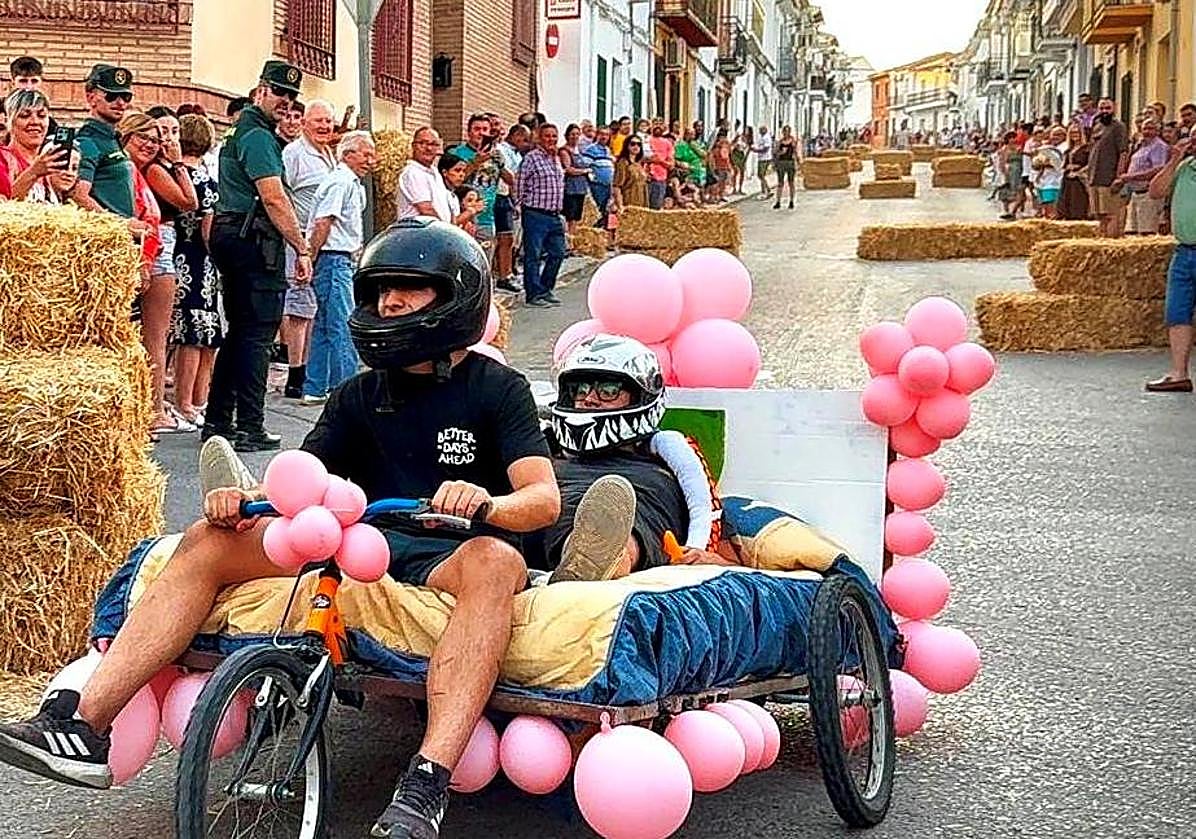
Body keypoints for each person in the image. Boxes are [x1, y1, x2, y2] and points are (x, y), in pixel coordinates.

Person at [0, 219, 561, 839]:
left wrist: (486, 504)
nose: (388, 304)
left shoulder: (497, 389)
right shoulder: (357, 393)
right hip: (356, 536)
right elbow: (306, 477)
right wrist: (246, 499)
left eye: (408, 289)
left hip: (449, 545)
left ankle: (426, 784)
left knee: (496, 563)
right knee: (208, 541)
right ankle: (84, 727)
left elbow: (541, 499)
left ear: (455, 299)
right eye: (379, 291)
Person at [532, 334, 725, 584]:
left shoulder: (665, 446)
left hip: (637, 503)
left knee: (616, 520)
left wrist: (699, 550)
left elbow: (704, 505)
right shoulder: (546, 444)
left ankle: (594, 562)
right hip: (551, 503)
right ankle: (573, 567)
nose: (589, 398)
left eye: (608, 390)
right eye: (580, 389)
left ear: (640, 396)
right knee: (546, 509)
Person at [205, 60, 312, 452]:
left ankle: (219, 421)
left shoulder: (244, 132)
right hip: (252, 238)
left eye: (291, 96)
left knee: (240, 333)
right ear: (261, 91)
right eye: (279, 93)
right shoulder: (257, 136)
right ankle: (250, 424)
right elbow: (273, 196)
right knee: (257, 334)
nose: (285, 101)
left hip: (234, 232)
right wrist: (301, 246)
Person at [122, 111, 200, 436]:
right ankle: (154, 409)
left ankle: (155, 406)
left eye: (159, 138)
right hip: (152, 249)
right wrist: (178, 163)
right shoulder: (142, 170)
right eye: (146, 137)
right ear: (127, 137)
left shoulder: (145, 170)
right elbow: (188, 201)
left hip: (156, 247)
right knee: (154, 337)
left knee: (156, 336)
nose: (153, 145)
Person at [301, 130, 376, 405]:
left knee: (323, 325)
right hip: (334, 259)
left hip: (337, 259)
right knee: (343, 325)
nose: (372, 160)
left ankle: (316, 385)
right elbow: (323, 222)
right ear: (348, 154)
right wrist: (310, 255)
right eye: (366, 154)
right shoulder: (341, 182)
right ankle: (347, 389)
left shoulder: (350, 183)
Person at [280, 99, 337, 399]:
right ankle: (295, 375)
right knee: (299, 308)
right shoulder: (294, 154)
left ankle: (311, 370)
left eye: (328, 121)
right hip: (300, 238)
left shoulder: (329, 154)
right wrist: (297, 242)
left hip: (323, 240)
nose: (324, 127)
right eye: (318, 121)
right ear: (304, 123)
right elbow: (281, 194)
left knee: (314, 309)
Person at [169, 113, 224, 427]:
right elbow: (209, 228)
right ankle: (192, 402)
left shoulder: (174, 175)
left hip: (178, 257)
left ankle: (190, 402)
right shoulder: (204, 180)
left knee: (191, 334)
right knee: (200, 336)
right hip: (201, 262)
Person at [1146, 136, 1196, 392]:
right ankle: (1179, 373)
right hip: (1185, 250)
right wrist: (1175, 158)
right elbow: (1156, 191)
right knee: (1177, 312)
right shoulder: (1185, 166)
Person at [73, 64, 136, 220]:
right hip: (106, 236)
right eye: (111, 96)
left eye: (125, 96)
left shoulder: (112, 137)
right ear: (91, 97)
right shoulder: (87, 141)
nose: (120, 103)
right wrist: (120, 225)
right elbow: (78, 195)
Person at [516, 122, 567, 309]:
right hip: (535, 214)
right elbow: (519, 184)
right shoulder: (531, 158)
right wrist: (519, 206)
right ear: (539, 137)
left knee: (558, 253)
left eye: (554, 136)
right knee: (533, 256)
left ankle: (545, 289)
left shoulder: (556, 159)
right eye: (547, 136)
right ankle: (533, 294)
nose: (551, 139)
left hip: (554, 215)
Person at [0, 89, 71, 203]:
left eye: (42, 116)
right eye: (24, 116)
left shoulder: (49, 164)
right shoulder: (3, 159)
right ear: (9, 121)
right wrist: (33, 172)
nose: (35, 122)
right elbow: (4, 208)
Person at [448, 114, 501, 253]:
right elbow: (453, 181)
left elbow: (510, 180)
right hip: (464, 217)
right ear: (469, 131)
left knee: (484, 263)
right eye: (477, 129)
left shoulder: (494, 154)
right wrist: (476, 162)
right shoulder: (457, 153)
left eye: (485, 129)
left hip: (487, 218)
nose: (481, 133)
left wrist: (501, 164)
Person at [1115, 117, 1169, 236]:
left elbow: (1158, 169)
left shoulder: (1159, 146)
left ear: (1158, 131)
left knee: (1147, 232)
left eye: (1151, 129)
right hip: (1135, 193)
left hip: (1148, 194)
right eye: (1145, 129)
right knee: (1131, 233)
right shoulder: (1141, 146)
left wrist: (1131, 177)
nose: (1147, 132)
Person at [492, 124, 529, 293]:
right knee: (499, 237)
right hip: (497, 194)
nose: (526, 143)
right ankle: (499, 273)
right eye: (524, 139)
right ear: (515, 135)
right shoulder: (501, 150)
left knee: (508, 237)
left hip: (506, 196)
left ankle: (506, 274)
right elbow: (509, 177)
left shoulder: (516, 154)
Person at [1088, 98, 1129, 237]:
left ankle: (1110, 242)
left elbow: (1123, 152)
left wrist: (1119, 177)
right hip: (1094, 177)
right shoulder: (1097, 126)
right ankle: (1102, 240)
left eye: (1108, 108)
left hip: (1109, 178)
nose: (1105, 111)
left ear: (1114, 109)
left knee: (1111, 214)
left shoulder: (1119, 127)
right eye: (1102, 108)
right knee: (1099, 215)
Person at [397, 125, 452, 222]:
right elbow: (426, 210)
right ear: (413, 146)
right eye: (423, 143)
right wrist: (446, 232)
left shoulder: (434, 172)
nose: (429, 148)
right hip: (419, 234)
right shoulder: (413, 172)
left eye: (434, 144)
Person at [437, 151, 484, 232]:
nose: (462, 174)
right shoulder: (439, 194)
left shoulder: (453, 196)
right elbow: (447, 225)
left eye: (463, 171)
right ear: (445, 172)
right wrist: (471, 211)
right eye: (457, 170)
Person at [559, 123, 592, 234]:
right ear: (567, 135)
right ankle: (569, 240)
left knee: (577, 217)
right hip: (571, 188)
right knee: (570, 217)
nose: (575, 136)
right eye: (572, 134)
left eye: (577, 134)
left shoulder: (579, 151)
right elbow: (568, 169)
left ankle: (573, 239)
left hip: (580, 188)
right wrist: (584, 171)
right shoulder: (564, 151)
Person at [1058, 123, 1092, 221]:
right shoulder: (1068, 150)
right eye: (1072, 133)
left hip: (1080, 180)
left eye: (1077, 132)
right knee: (1066, 205)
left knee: (1078, 204)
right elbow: (1063, 165)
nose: (1075, 135)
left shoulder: (1086, 149)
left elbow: (1090, 164)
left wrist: (1080, 170)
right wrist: (1068, 167)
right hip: (1068, 180)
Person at [611, 132, 648, 222]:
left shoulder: (639, 164)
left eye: (639, 144)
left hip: (641, 202)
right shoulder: (623, 163)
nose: (636, 146)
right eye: (633, 144)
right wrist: (620, 206)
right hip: (628, 201)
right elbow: (617, 186)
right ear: (627, 146)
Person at [645, 121, 674, 211]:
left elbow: (671, 165)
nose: (658, 126)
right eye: (655, 123)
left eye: (660, 124)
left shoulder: (667, 143)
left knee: (656, 208)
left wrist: (660, 161)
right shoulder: (646, 140)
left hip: (660, 179)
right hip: (646, 178)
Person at [773, 125, 798, 210]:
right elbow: (775, 152)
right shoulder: (780, 142)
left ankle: (791, 201)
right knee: (780, 183)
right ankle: (778, 201)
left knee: (791, 182)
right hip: (781, 162)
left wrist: (797, 162)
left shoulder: (793, 141)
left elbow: (795, 152)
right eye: (785, 131)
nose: (786, 133)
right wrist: (780, 153)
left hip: (790, 162)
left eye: (788, 131)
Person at [753, 125, 774, 201]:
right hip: (761, 158)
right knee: (760, 175)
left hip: (765, 158)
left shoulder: (767, 138)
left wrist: (756, 150)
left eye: (761, 130)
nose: (760, 131)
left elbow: (765, 149)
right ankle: (764, 190)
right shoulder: (761, 137)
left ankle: (767, 190)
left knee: (761, 175)